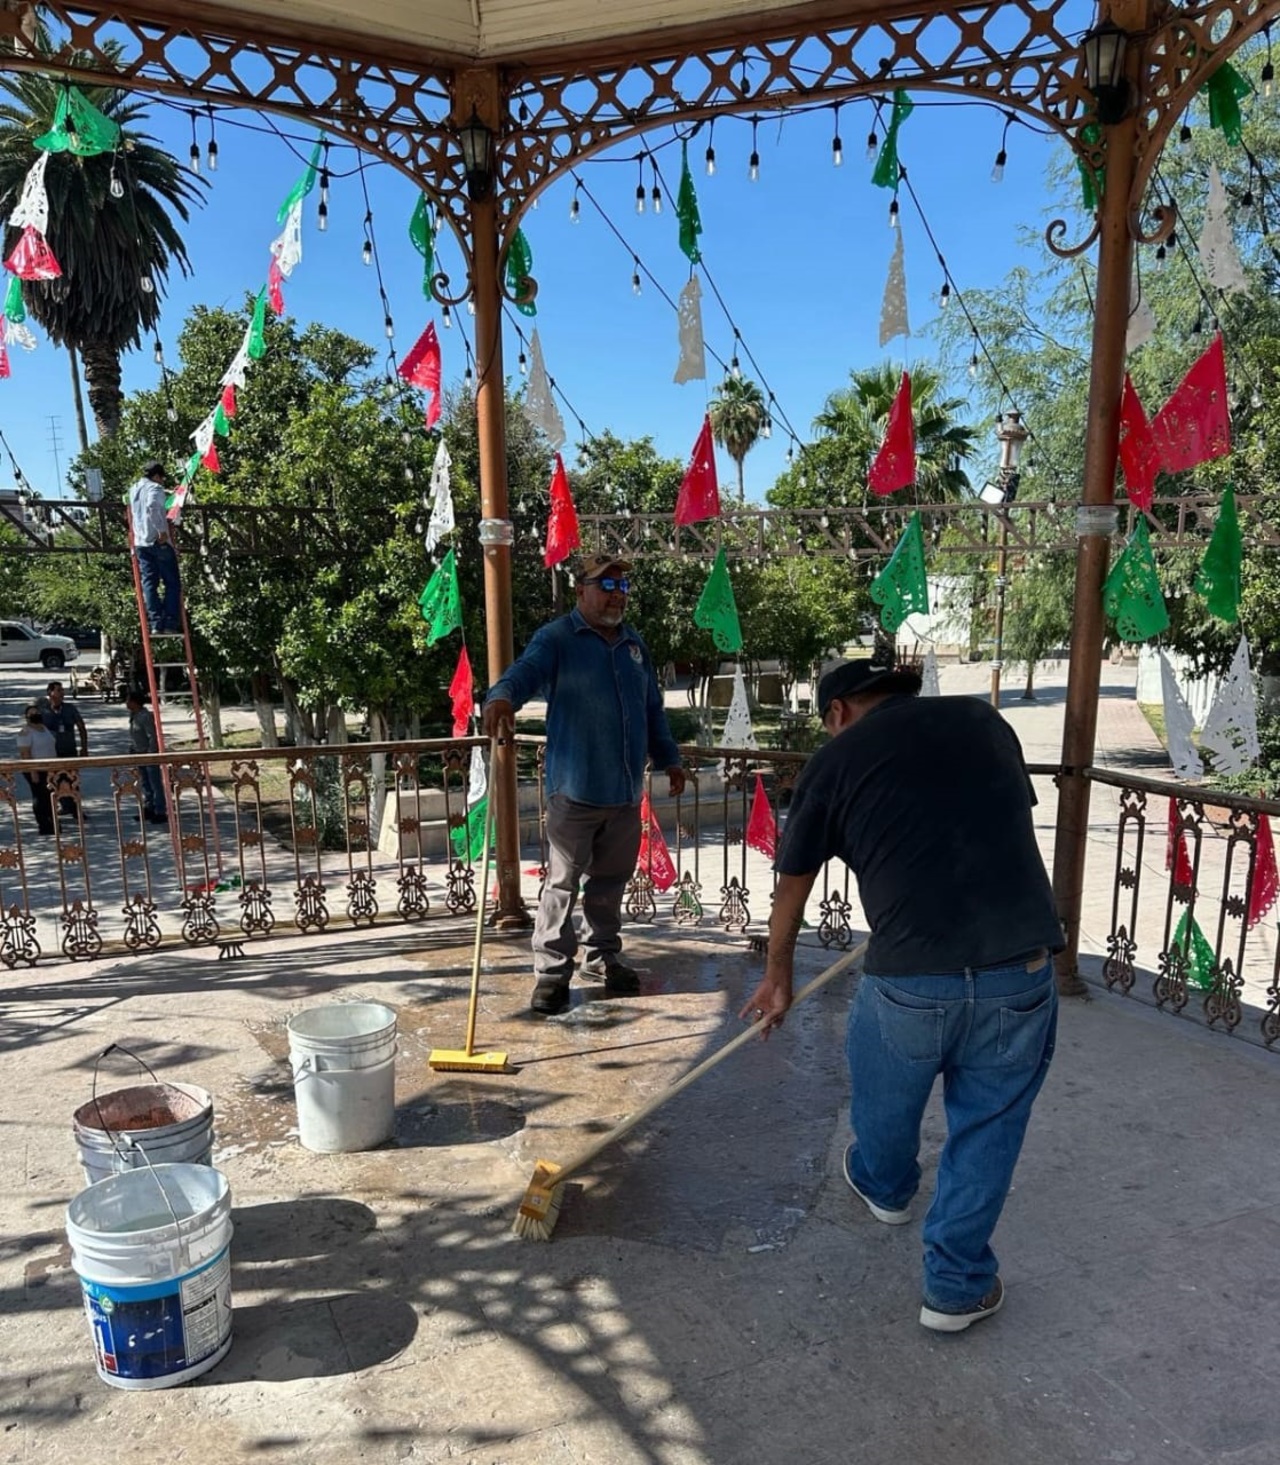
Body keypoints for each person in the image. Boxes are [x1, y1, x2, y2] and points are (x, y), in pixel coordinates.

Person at [741, 658, 1064, 1334]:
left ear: (837, 712)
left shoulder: (835, 759)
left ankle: (885, 1186)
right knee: (989, 1126)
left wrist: (777, 977)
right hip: (1021, 969)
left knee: (884, 1090)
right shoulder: (983, 720)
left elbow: (792, 887)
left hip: (911, 977)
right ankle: (954, 1287)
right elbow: (989, 821)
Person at [482, 553, 686, 1015]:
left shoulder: (634, 643)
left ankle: (601, 956)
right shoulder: (557, 638)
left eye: (623, 587)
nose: (617, 596)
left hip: (624, 792)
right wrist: (501, 697)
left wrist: (670, 758)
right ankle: (552, 973)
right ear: (581, 590)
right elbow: (524, 673)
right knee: (561, 884)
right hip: (574, 790)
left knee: (610, 883)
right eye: (606, 586)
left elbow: (652, 708)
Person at [128, 458, 183, 634]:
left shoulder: (134, 489)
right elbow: (152, 506)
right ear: (157, 476)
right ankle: (170, 623)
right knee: (172, 582)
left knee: (149, 583)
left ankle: (155, 623)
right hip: (157, 541)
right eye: (162, 478)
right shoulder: (155, 488)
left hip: (140, 542)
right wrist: (162, 531)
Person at [40, 679, 88, 819]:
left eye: (62, 690)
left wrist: (84, 747)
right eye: (58, 690)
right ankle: (63, 806)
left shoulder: (70, 709)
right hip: (51, 753)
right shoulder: (43, 711)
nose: (62, 693)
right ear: (50, 693)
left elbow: (81, 727)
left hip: (69, 750)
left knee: (73, 780)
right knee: (54, 781)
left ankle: (76, 809)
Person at [125, 688, 167, 824]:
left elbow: (152, 736)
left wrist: (151, 753)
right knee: (145, 783)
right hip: (139, 754)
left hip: (148, 754)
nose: (126, 703)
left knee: (155, 783)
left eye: (128, 700)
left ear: (135, 702)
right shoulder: (134, 715)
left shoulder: (145, 716)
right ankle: (149, 807)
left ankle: (160, 811)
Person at [16, 703, 57, 835]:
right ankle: (44, 825)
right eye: (32, 714)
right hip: (35, 770)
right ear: (27, 717)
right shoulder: (25, 732)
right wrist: (33, 771)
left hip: (49, 768)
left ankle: (53, 823)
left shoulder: (43, 728)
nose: (35, 715)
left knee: (49, 796)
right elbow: (25, 753)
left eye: (37, 712)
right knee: (39, 797)